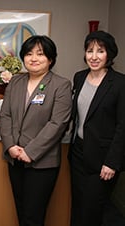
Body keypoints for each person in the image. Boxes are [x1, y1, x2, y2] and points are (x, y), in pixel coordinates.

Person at [0, 35, 72, 226]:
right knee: (21, 211)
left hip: (42, 163)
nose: (34, 58)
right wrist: (11, 146)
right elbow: (5, 116)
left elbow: (58, 123)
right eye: (29, 53)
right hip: (15, 158)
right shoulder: (16, 82)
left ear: (50, 58)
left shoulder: (60, 85)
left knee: (34, 215)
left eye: (40, 54)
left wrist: (30, 152)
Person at [69, 30, 125, 226]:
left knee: (92, 209)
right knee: (77, 205)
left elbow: (122, 126)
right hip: (77, 153)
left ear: (109, 54)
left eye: (100, 51)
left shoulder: (119, 83)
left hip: (103, 159)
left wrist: (112, 162)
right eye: (89, 50)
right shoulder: (79, 77)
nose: (93, 56)